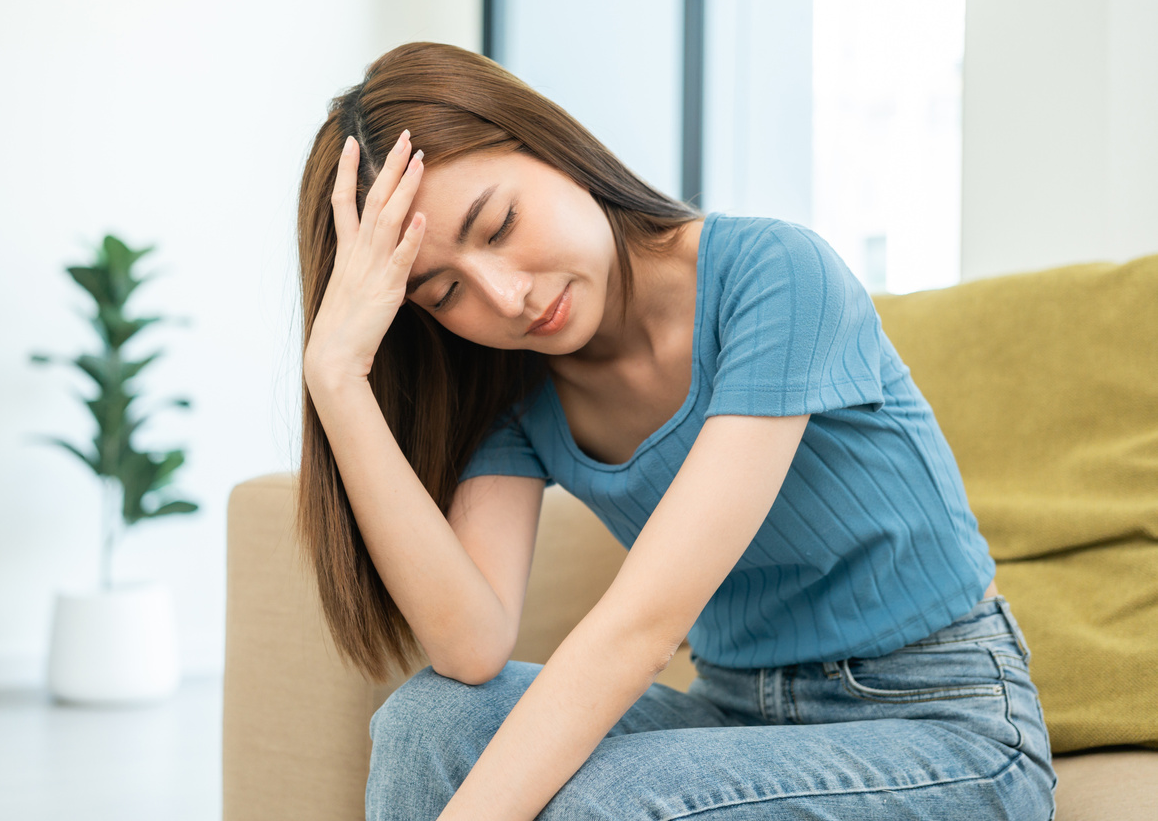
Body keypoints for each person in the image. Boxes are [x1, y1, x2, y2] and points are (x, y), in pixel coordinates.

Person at [295, 41, 1057, 821]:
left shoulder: (777, 274)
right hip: (735, 713)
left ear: (550, 145)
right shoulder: (515, 394)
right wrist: (338, 378)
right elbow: (471, 645)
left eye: (499, 224)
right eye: (447, 289)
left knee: (603, 803)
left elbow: (642, 629)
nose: (506, 296)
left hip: (942, 724)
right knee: (427, 724)